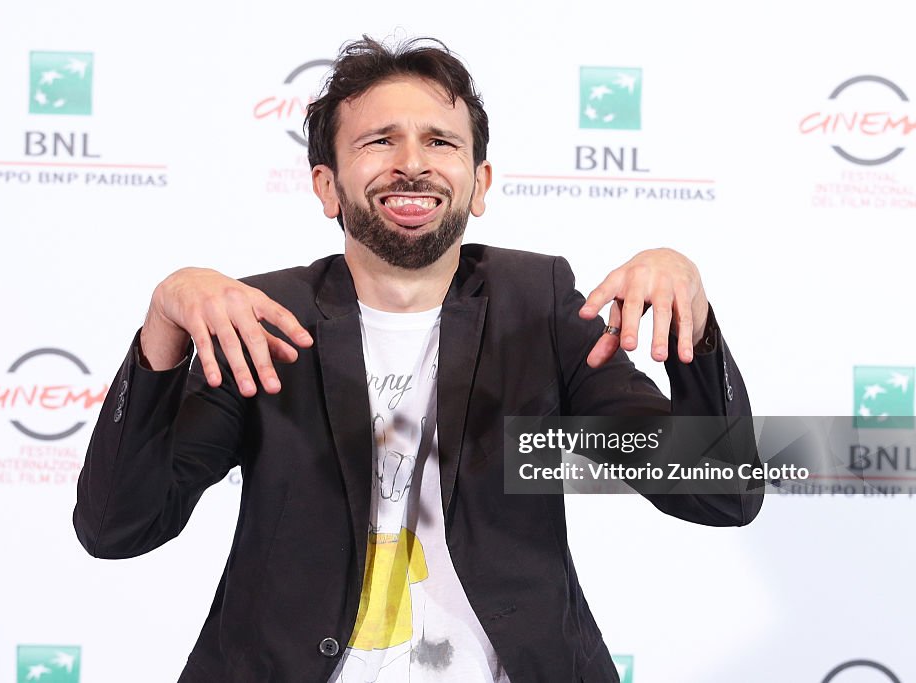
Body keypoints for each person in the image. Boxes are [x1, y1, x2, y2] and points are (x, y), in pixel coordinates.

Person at [74, 35, 762, 682]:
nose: (412, 161)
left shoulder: (538, 307)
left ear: (480, 181)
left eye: (440, 141)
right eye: (379, 140)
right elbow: (118, 527)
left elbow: (719, 490)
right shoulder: (264, 319)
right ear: (326, 185)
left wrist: (693, 328)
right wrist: (163, 327)